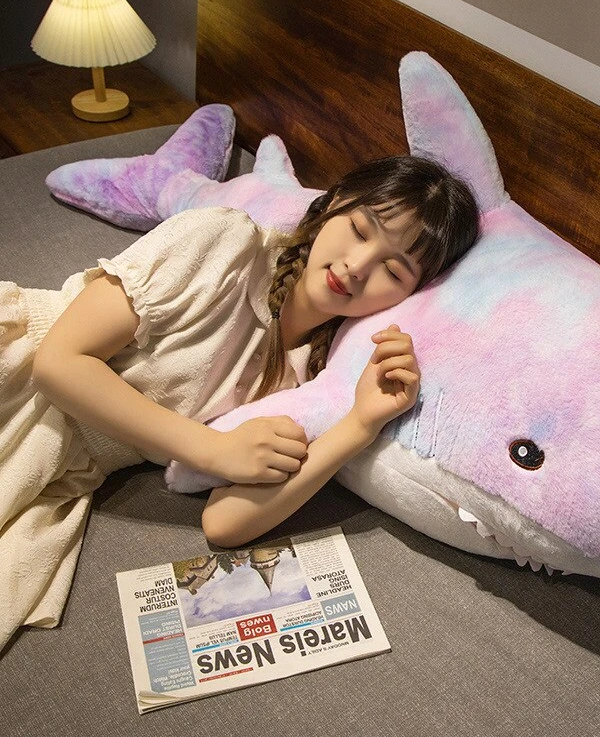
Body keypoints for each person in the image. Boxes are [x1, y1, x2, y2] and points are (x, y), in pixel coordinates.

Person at [0, 154, 479, 649]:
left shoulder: (317, 377)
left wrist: (359, 425)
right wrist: (211, 448)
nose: (356, 267)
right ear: (334, 201)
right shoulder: (225, 242)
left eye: (393, 271)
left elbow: (224, 524)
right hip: (17, 371)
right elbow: (57, 361)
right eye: (359, 229)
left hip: (59, 461)